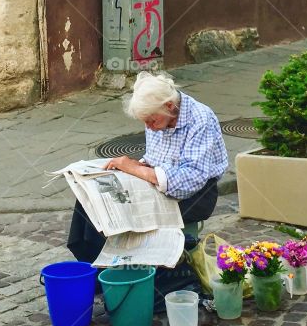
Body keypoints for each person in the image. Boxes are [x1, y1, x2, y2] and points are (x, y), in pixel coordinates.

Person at [66, 71, 227, 272]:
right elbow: (154, 158)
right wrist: (135, 167)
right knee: (91, 196)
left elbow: (189, 181)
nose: (149, 127)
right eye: (145, 122)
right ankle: (91, 263)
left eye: (152, 121)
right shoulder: (159, 115)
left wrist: (134, 169)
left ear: (170, 106)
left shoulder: (200, 120)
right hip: (160, 182)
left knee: (126, 206)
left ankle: (113, 269)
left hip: (196, 196)